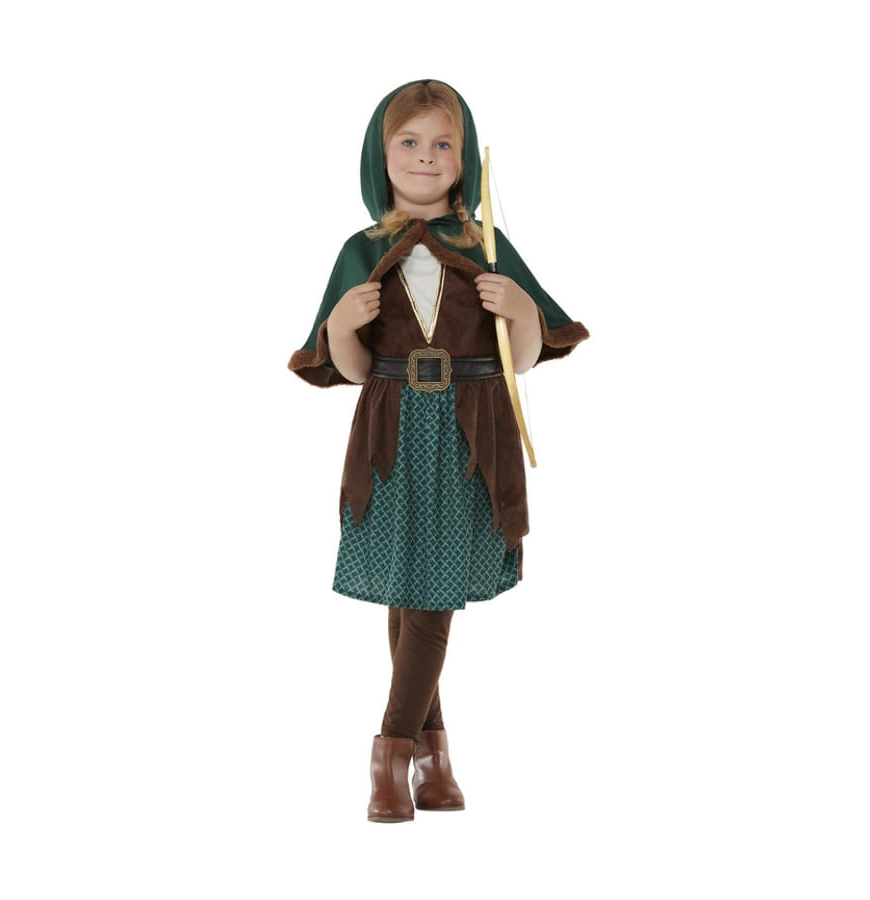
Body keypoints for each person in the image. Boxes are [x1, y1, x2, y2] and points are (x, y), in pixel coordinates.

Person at [289, 79, 589, 822]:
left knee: (429, 584)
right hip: (392, 429)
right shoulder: (362, 251)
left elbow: (520, 360)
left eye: (443, 144)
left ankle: (392, 756)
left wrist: (521, 311)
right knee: (411, 581)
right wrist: (341, 328)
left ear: (464, 159)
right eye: (409, 141)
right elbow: (352, 369)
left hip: (467, 429)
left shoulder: (486, 245)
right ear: (381, 155)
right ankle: (430, 757)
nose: (426, 157)